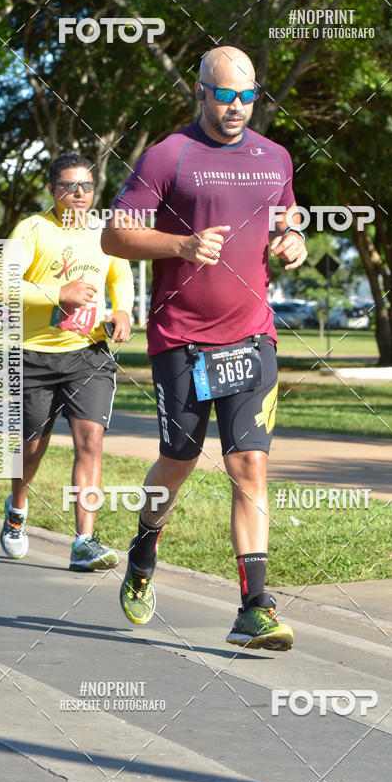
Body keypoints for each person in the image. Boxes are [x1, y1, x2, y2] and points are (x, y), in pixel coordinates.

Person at [101, 46, 307, 651]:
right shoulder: (170, 155)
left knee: (249, 464)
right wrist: (181, 246)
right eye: (225, 95)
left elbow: (285, 215)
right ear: (200, 93)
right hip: (181, 338)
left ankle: (255, 606)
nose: (237, 107)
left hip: (251, 334)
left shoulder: (274, 157)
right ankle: (145, 542)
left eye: (247, 96)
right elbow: (115, 235)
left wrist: (292, 240)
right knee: (181, 457)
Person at [0, 153, 134, 570]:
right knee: (32, 447)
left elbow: (120, 275)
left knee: (90, 442)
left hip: (89, 354)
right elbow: (4, 282)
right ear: (52, 189)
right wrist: (60, 293)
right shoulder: (32, 229)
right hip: (34, 354)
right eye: (68, 186)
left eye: (86, 187)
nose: (78, 194)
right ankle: (17, 507)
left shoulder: (104, 231)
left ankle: (84, 541)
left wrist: (123, 311)